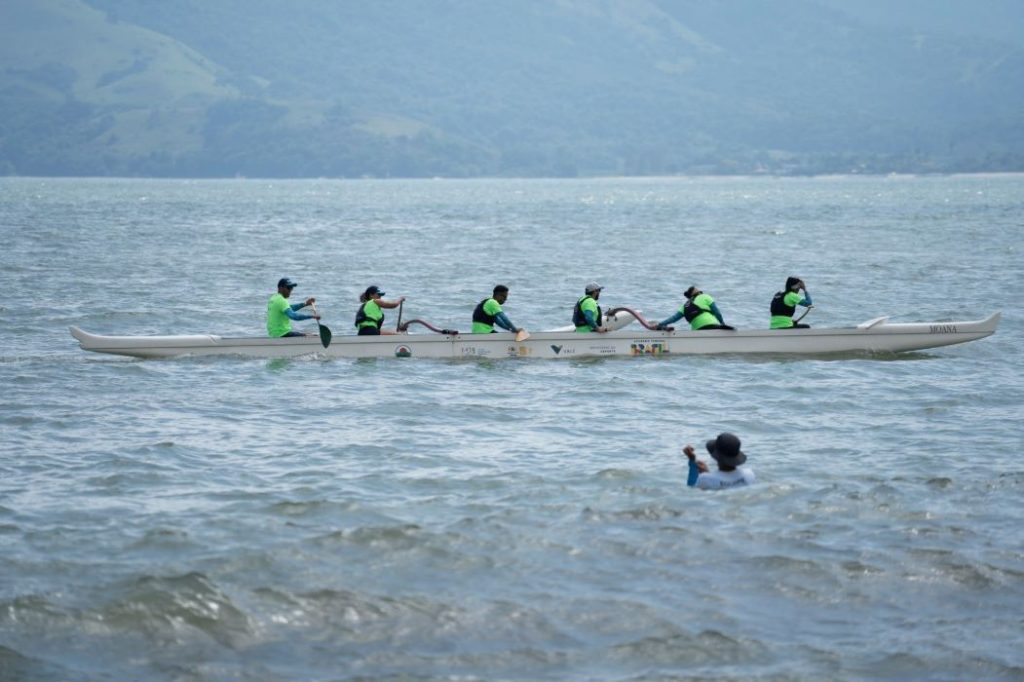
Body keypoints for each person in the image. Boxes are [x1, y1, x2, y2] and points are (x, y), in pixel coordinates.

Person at [684, 432, 755, 490]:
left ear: (716, 456)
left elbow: (691, 489)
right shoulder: (749, 474)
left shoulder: (705, 479)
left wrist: (692, 461)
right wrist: (708, 474)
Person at [655, 285, 734, 331]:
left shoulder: (685, 305)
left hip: (697, 329)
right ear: (700, 293)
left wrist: (660, 324)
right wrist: (722, 323)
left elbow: (673, 319)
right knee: (732, 329)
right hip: (712, 325)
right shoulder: (705, 296)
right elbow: (717, 313)